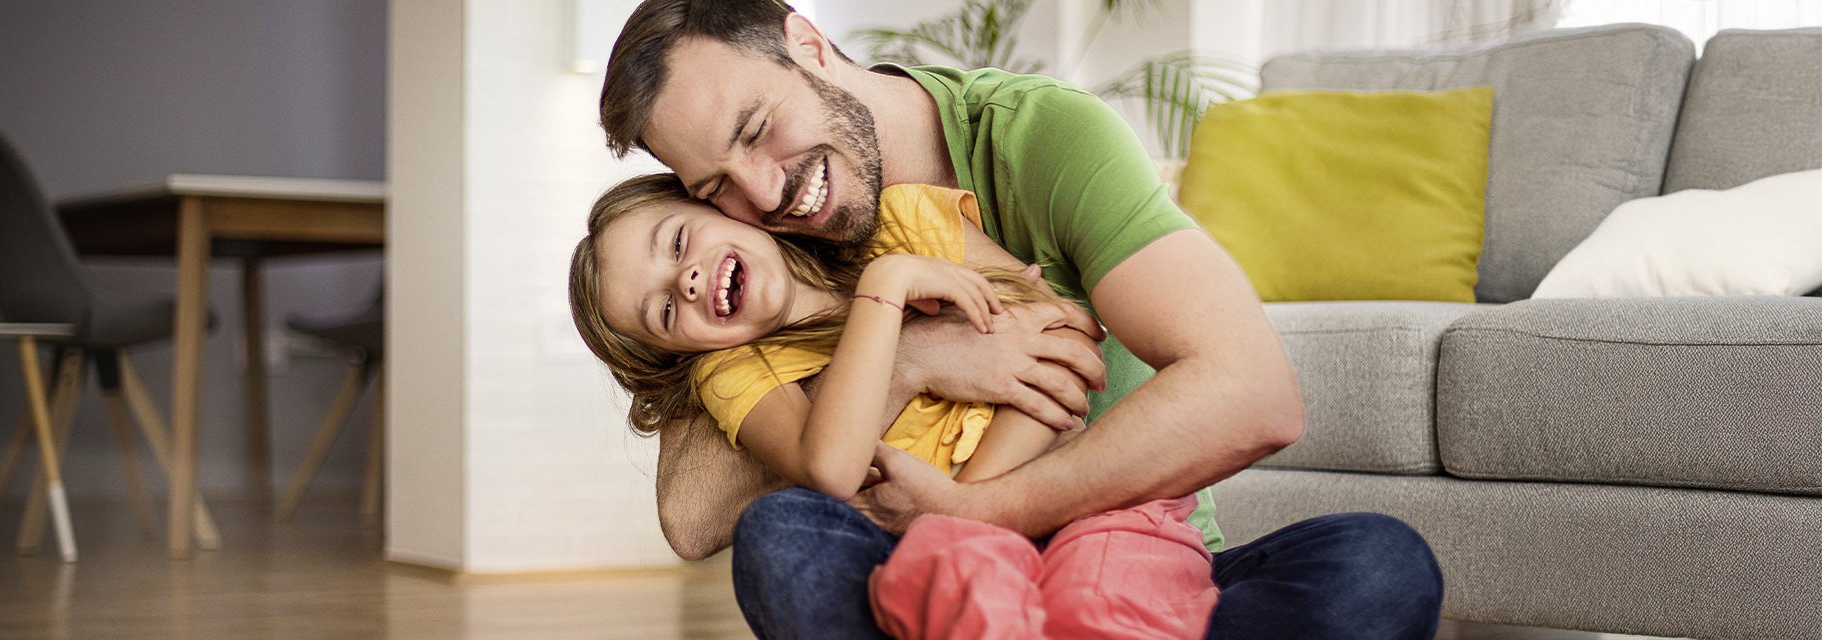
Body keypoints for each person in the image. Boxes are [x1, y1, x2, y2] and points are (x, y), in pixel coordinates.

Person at [597, 1, 1446, 638]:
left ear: (809, 44)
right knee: (783, 539)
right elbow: (694, 518)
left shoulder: (1032, 140)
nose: (766, 193)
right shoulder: (736, 250)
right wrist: (912, 360)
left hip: (1124, 545)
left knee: (1378, 566)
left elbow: (1254, 396)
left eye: (759, 129)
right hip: (918, 564)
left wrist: (977, 509)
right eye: (713, 187)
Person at [569, 174, 1219, 638]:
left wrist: (971, 502)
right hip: (932, 553)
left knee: (1112, 603)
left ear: (719, 202)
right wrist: (888, 290)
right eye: (663, 311)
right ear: (676, 352)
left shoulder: (903, 219)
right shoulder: (736, 371)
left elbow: (1060, 336)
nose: (682, 281)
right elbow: (830, 467)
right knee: (971, 604)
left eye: (678, 242)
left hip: (1056, 502)